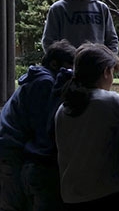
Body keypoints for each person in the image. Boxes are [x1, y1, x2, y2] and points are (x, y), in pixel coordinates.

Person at [0, 40, 76, 211]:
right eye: (70, 66)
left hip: (9, 148)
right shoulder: (44, 83)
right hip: (12, 152)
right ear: (55, 64)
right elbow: (44, 126)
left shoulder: (37, 78)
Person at [54, 43, 119, 211]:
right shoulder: (112, 102)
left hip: (71, 195)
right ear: (106, 72)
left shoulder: (64, 108)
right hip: (106, 193)